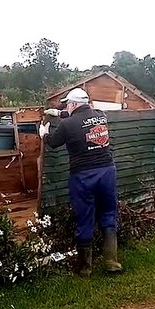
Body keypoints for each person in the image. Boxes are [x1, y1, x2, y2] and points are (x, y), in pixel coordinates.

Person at [41, 88, 122, 277]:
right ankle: (111, 261)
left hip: (83, 176)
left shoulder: (67, 124)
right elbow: (83, 119)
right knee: (108, 213)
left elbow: (53, 142)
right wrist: (59, 113)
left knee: (84, 216)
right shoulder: (101, 116)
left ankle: (85, 267)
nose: (66, 107)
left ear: (74, 104)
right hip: (107, 172)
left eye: (67, 104)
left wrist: (44, 133)